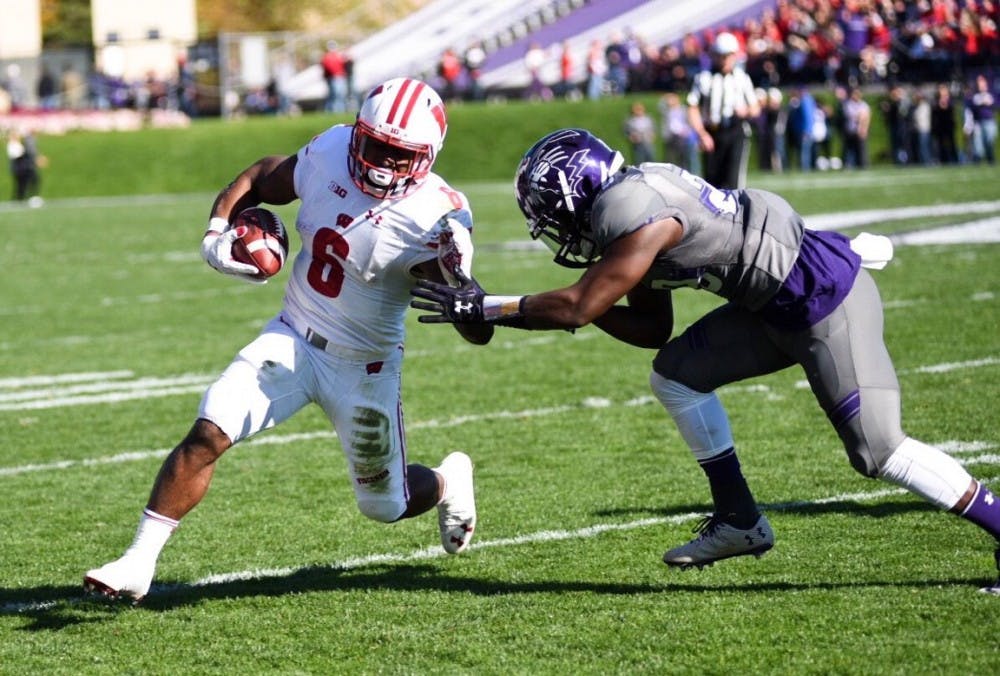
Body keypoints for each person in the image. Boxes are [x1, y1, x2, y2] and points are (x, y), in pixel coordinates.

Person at [409, 127, 1000, 594]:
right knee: (676, 375)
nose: (553, 228)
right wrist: (548, 305)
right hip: (768, 303)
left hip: (820, 299)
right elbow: (649, 327)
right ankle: (740, 519)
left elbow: (578, 308)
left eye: (551, 211)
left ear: (574, 193)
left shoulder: (632, 210)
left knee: (878, 451)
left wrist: (491, 306)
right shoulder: (631, 198)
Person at [83, 78, 490, 603]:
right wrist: (215, 237)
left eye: (399, 154)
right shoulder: (330, 151)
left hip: (363, 367)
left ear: (427, 158)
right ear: (358, 134)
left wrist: (462, 283)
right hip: (292, 336)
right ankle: (138, 562)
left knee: (384, 506)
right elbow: (258, 176)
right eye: (375, 145)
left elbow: (474, 328)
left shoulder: (442, 216)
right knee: (210, 428)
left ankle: (448, 479)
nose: (383, 163)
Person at [686, 32, 760, 189]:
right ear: (714, 55)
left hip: (736, 131)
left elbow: (755, 108)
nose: (725, 59)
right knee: (712, 184)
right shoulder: (704, 78)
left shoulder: (742, 78)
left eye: (729, 55)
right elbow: (693, 107)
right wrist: (702, 133)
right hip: (712, 133)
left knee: (734, 183)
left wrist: (746, 111)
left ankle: (736, 213)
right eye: (721, 55)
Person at [6, 128, 43, 206]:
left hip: (24, 168)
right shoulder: (12, 144)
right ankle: (19, 200)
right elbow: (17, 156)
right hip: (20, 169)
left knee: (29, 182)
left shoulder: (19, 144)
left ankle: (26, 198)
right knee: (21, 185)